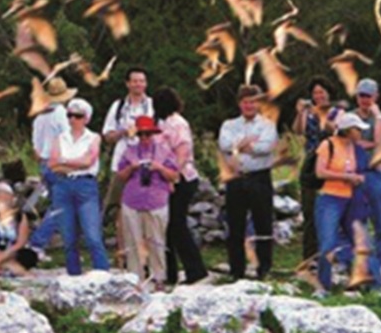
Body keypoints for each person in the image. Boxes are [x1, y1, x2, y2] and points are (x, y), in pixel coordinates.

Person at [217, 84, 279, 280]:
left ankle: (264, 269)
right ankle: (237, 270)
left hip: (259, 177)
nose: (249, 106)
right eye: (245, 102)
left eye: (253, 102)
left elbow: (266, 147)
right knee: (235, 226)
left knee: (263, 224)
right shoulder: (229, 125)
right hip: (236, 178)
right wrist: (246, 143)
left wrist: (238, 146)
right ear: (239, 104)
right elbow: (224, 144)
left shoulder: (267, 125)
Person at [46, 98, 110, 274]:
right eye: (70, 115)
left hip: (85, 185)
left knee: (92, 236)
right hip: (63, 185)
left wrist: (64, 161)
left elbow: (88, 161)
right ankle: (73, 275)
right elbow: (52, 163)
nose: (73, 119)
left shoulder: (93, 137)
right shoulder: (60, 137)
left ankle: (102, 273)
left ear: (86, 118)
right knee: (68, 237)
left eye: (78, 116)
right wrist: (75, 162)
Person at [114, 116, 179, 288]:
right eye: (141, 134)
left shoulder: (164, 152)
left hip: (156, 200)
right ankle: (136, 279)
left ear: (153, 134)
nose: (144, 138)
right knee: (132, 241)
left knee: (157, 240)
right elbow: (120, 175)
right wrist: (132, 167)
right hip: (132, 200)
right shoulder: (129, 151)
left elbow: (174, 175)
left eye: (147, 134)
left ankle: (159, 278)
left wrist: (159, 168)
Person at [312, 113, 370, 293]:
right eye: (357, 129)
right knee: (328, 243)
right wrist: (347, 177)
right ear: (347, 130)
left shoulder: (354, 148)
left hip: (351, 198)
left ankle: (361, 281)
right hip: (329, 198)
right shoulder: (327, 145)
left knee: (357, 240)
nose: (360, 132)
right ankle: (323, 286)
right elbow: (320, 172)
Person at [155, 88, 208, 285]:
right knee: (167, 227)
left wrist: (172, 176)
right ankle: (170, 272)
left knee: (177, 225)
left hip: (181, 178)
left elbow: (182, 153)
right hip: (166, 178)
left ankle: (195, 269)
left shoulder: (177, 123)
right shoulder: (162, 123)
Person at [349, 78, 381, 285]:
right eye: (361, 95)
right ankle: (361, 264)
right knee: (356, 222)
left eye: (369, 96)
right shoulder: (350, 117)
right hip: (356, 174)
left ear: (376, 97)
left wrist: (376, 117)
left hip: (378, 173)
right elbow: (350, 143)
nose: (365, 100)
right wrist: (364, 144)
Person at [27, 76, 74, 257]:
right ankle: (37, 242)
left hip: (44, 163)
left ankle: (39, 242)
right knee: (61, 206)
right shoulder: (61, 113)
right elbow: (66, 138)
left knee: (57, 203)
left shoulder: (39, 117)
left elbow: (35, 148)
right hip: (58, 163)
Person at [293, 78, 336, 263]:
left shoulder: (337, 112)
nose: (319, 96)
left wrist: (321, 116)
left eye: (322, 92)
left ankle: (332, 252)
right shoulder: (308, 113)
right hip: (311, 161)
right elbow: (299, 130)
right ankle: (310, 255)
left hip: (333, 162)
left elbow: (337, 131)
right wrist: (302, 112)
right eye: (315, 93)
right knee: (309, 210)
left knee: (331, 209)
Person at [101, 67, 154, 173]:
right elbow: (107, 136)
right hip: (121, 162)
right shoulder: (118, 106)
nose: (138, 84)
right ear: (127, 84)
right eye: (135, 81)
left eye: (142, 81)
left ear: (146, 84)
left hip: (148, 161)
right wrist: (123, 132)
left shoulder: (153, 105)